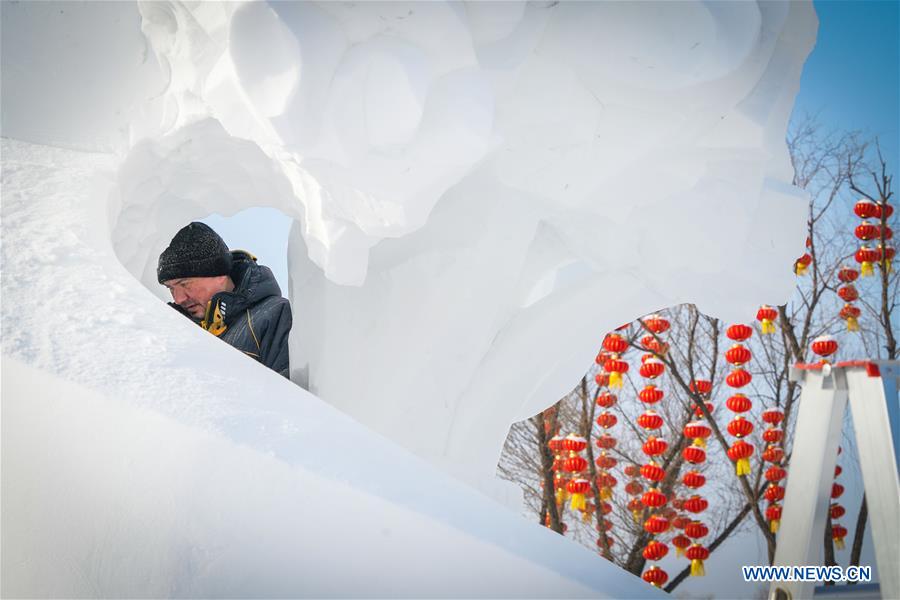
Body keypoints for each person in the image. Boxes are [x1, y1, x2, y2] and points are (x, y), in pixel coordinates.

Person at [157, 222, 292, 378]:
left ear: (219, 275)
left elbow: (293, 396)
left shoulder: (274, 316)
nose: (179, 298)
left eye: (185, 284)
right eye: (171, 288)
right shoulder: (175, 328)